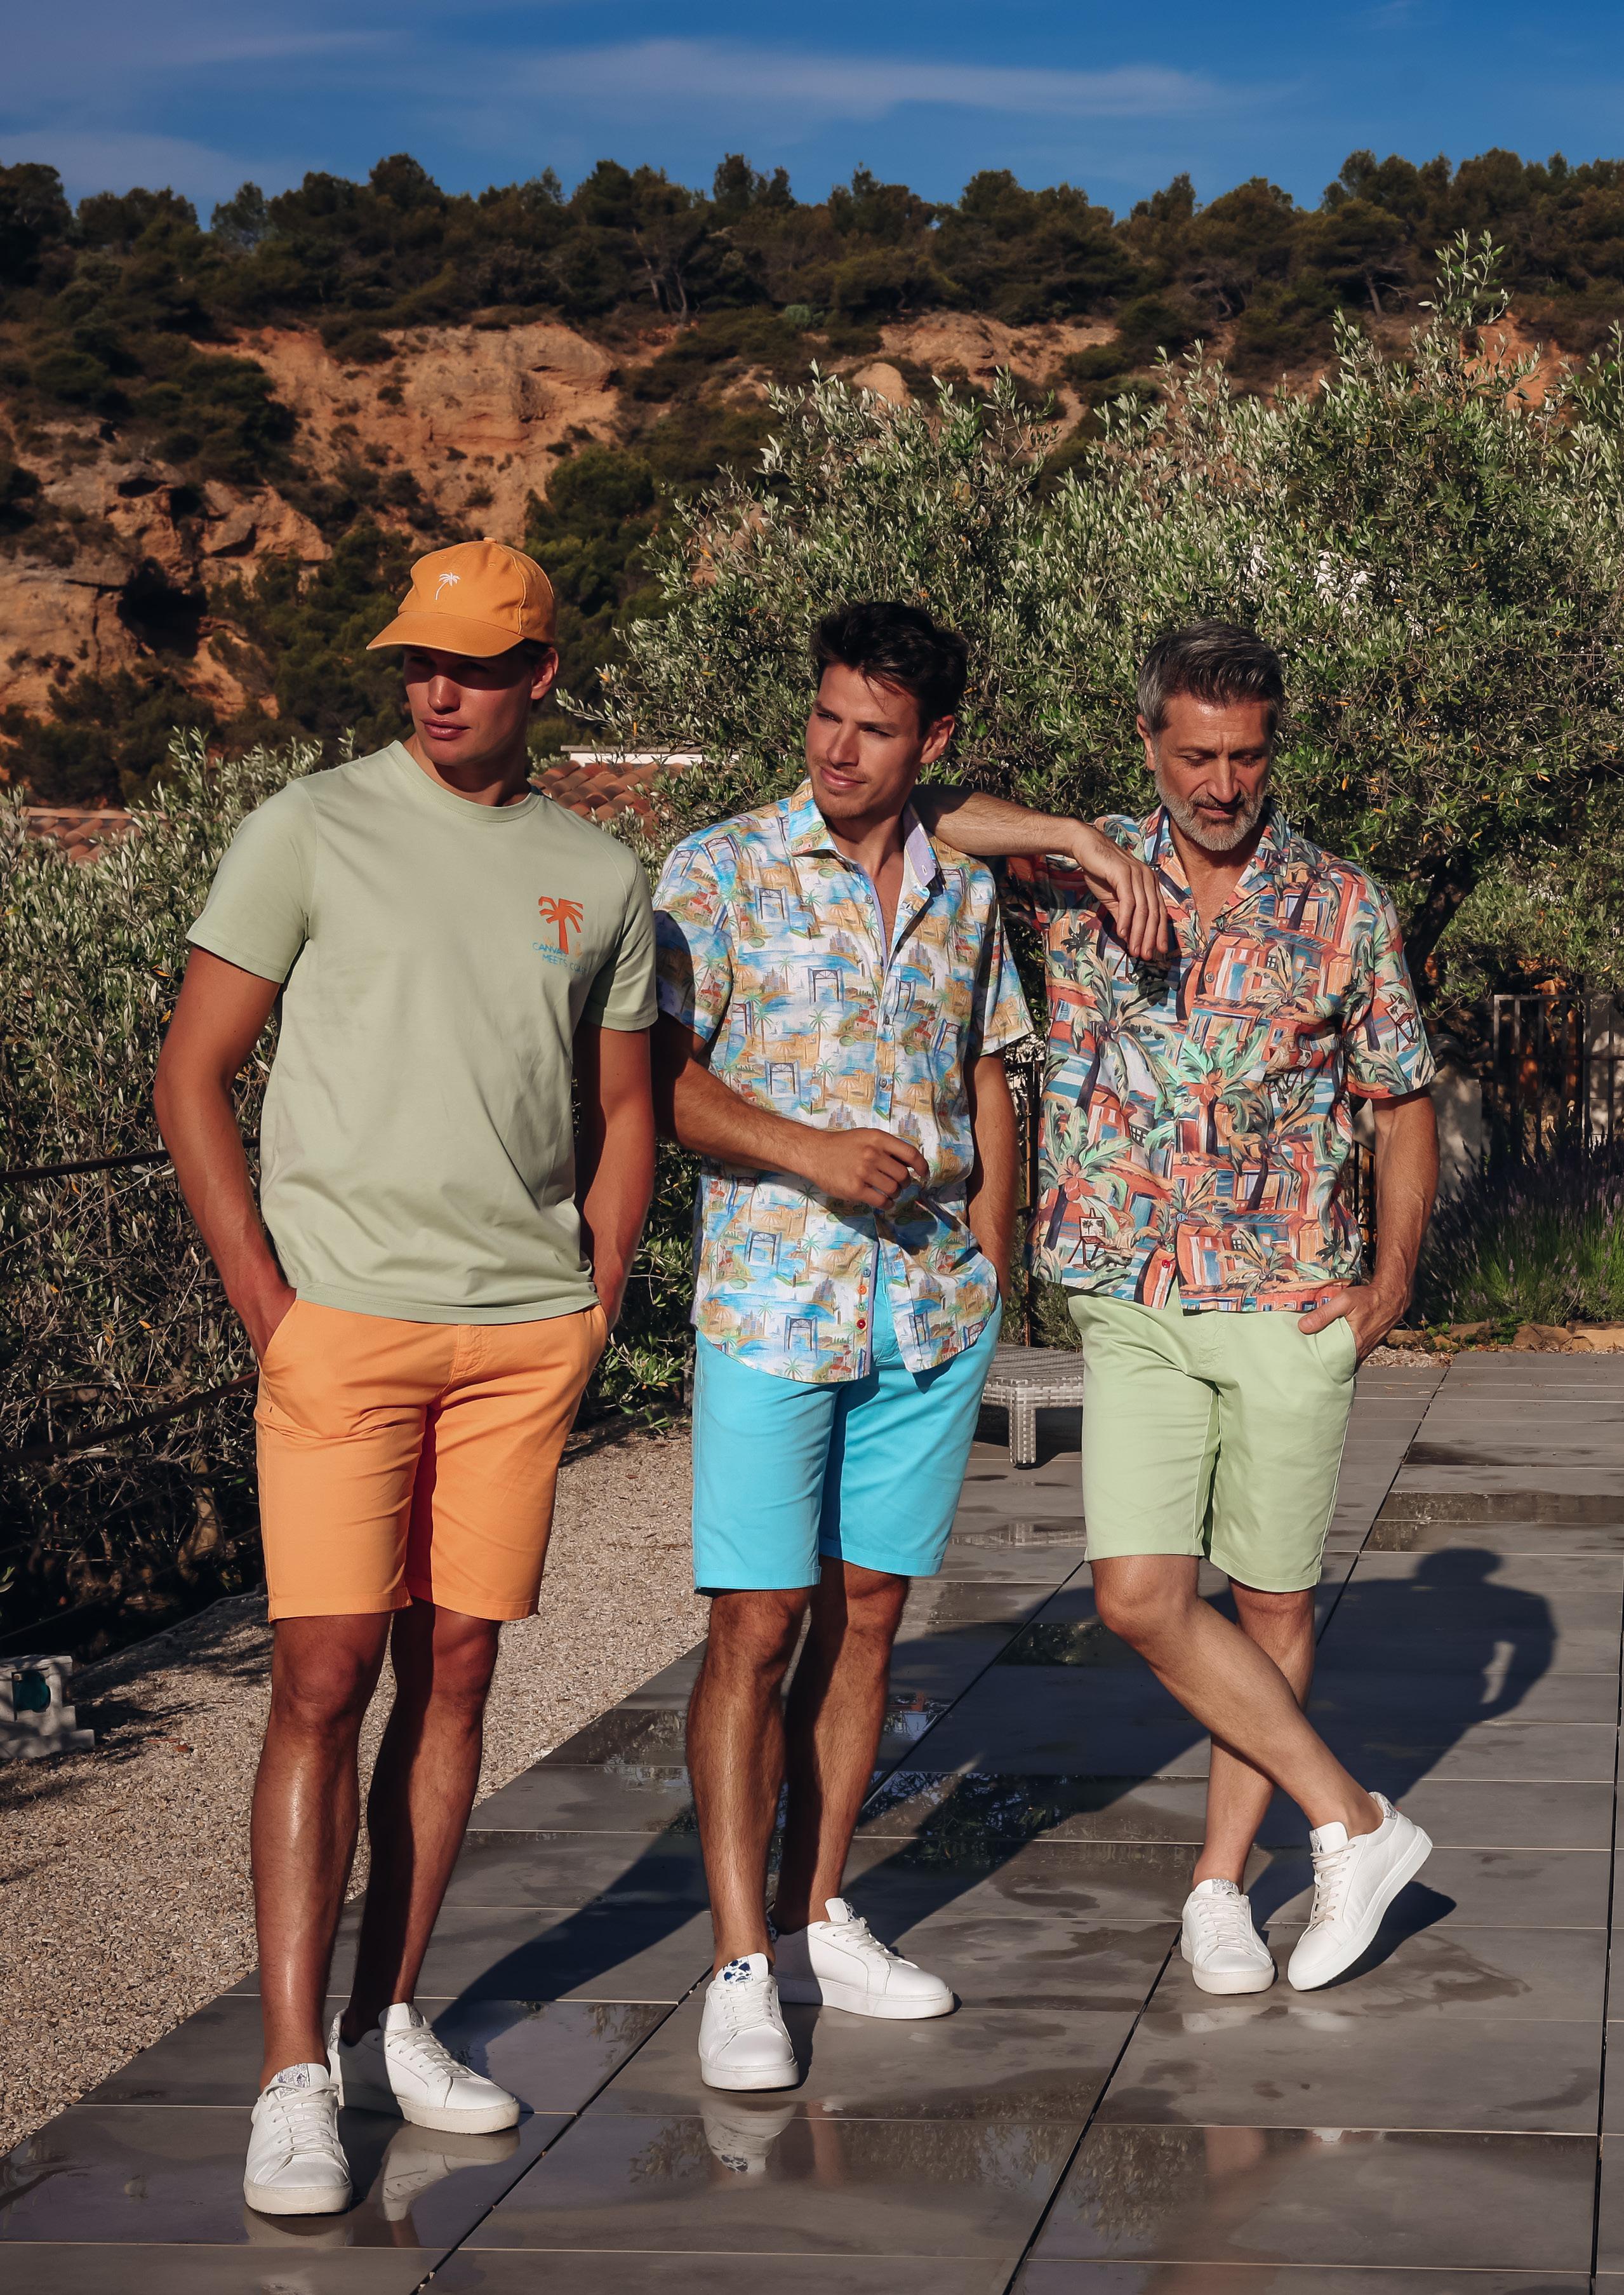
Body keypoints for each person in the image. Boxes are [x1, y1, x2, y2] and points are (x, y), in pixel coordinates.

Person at [153, 539, 658, 2215]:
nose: (436, 689)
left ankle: (386, 2021)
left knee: (456, 1671)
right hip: (340, 1328)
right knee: (322, 1672)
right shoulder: (307, 827)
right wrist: (267, 1303)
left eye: (472, 664)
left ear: (538, 674)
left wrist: (594, 1298)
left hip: (519, 1339)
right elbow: (193, 1070)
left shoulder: (601, 871)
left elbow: (626, 1107)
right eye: (414, 663)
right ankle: (290, 2073)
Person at [651, 599, 1152, 2092]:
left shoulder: (960, 888)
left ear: (931, 741)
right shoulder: (718, 868)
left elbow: (990, 1067)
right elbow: (656, 1085)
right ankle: (738, 1962)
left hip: (926, 1313)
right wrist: (808, 1150)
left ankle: (819, 1914)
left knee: (868, 1616)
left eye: (873, 729)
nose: (838, 749)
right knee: (755, 1625)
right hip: (770, 1302)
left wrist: (989, 1256)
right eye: (825, 717)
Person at [917, 621, 1439, 1996]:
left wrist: (1388, 1285)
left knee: (1268, 1600)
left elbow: (1400, 1100)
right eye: (1195, 754)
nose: (1221, 784)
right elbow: (917, 802)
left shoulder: (1341, 904)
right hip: (1130, 1293)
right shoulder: (1075, 874)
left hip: (1286, 1299)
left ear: (1273, 748)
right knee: (1141, 1597)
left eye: (1245, 756)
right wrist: (1078, 843)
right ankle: (1352, 1818)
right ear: (1147, 739)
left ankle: (1219, 1885)